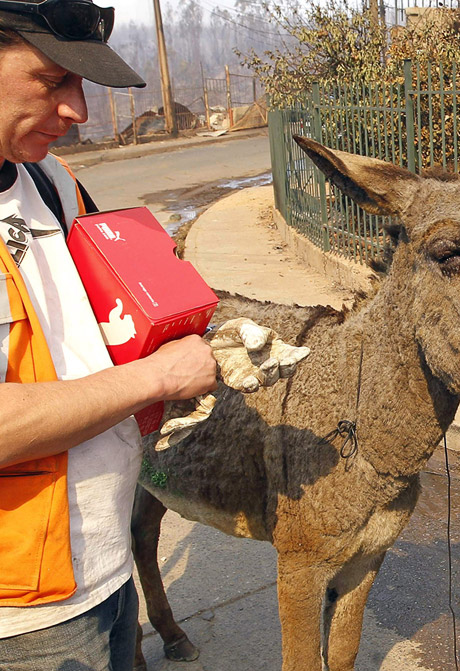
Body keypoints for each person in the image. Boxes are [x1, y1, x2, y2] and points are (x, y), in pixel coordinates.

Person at [0, 2, 217, 669]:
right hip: (26, 613)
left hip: (103, 560)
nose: (80, 112)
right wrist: (155, 378)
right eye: (54, 78)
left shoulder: (50, 180)